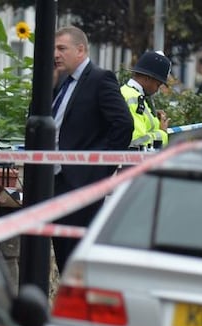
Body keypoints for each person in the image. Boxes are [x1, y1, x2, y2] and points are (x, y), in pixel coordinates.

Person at [51, 26, 133, 272]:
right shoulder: (59, 82)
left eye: (61, 48)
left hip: (80, 182)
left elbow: (123, 124)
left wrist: (98, 170)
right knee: (62, 251)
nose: (55, 54)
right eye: (53, 48)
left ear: (80, 50)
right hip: (53, 178)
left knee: (75, 257)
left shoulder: (99, 79)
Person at [120, 51, 171, 150]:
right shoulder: (134, 99)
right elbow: (137, 142)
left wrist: (155, 118)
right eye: (158, 85)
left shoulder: (131, 94)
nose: (157, 90)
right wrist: (162, 133)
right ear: (148, 78)